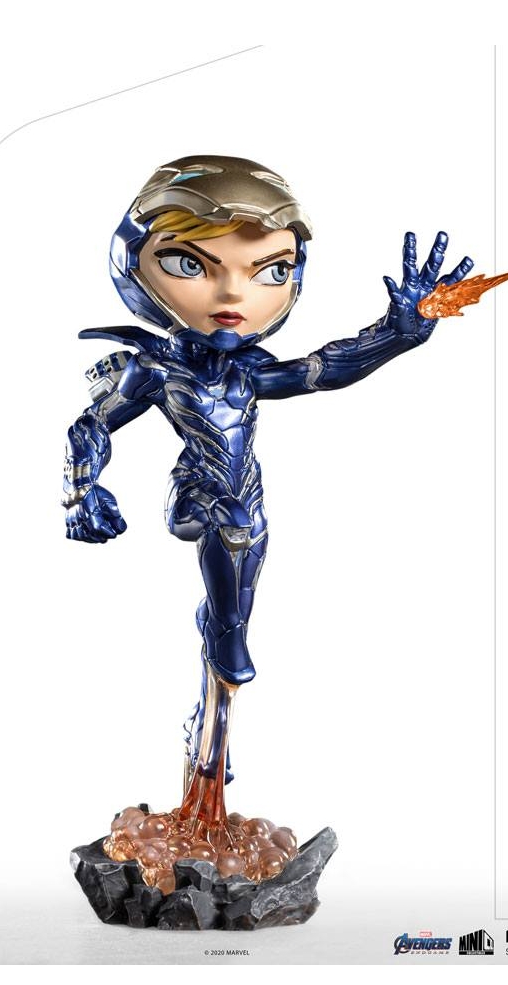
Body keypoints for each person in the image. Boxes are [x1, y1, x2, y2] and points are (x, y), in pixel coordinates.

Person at [63, 155, 476, 831]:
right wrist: (81, 489)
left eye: (269, 270)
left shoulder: (248, 373)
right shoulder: (156, 368)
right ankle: (217, 699)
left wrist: (394, 336)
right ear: (135, 263)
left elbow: (319, 370)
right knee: (229, 605)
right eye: (191, 264)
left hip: (248, 503)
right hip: (200, 496)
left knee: (231, 616)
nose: (233, 292)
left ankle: (208, 746)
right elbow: (92, 424)